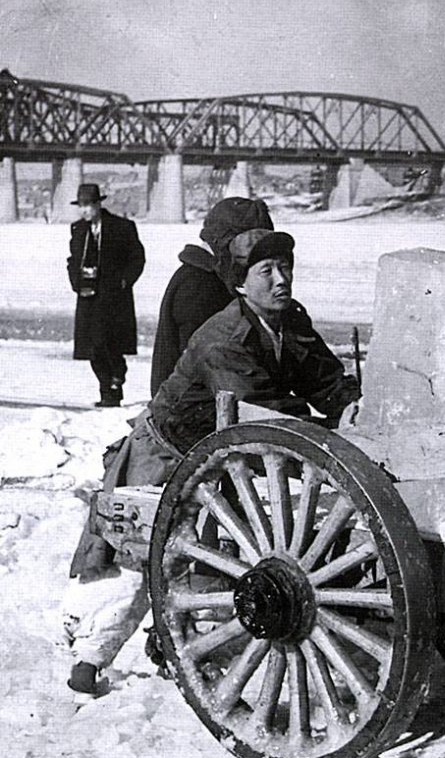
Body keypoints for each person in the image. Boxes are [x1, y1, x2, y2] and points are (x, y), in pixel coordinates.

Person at [63, 228, 361, 695]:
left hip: (215, 458)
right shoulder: (225, 336)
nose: (282, 280)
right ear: (241, 282)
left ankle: (175, 647)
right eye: (268, 271)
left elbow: (321, 376)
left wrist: (347, 403)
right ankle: (90, 658)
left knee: (204, 565)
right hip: (164, 452)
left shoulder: (288, 320)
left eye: (286, 267)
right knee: (143, 559)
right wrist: (328, 429)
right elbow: (260, 409)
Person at [149, 196, 273, 396]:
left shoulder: (213, 278)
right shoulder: (200, 285)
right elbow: (209, 367)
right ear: (225, 244)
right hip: (193, 414)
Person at [67, 183, 146, 407]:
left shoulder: (122, 227)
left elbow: (137, 258)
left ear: (98, 204)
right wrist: (75, 281)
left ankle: (115, 382)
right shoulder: (78, 230)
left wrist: (124, 281)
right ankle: (107, 389)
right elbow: (72, 260)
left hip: (114, 298)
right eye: (81, 206)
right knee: (92, 348)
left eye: (88, 205)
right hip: (88, 296)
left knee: (109, 343)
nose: (84, 211)